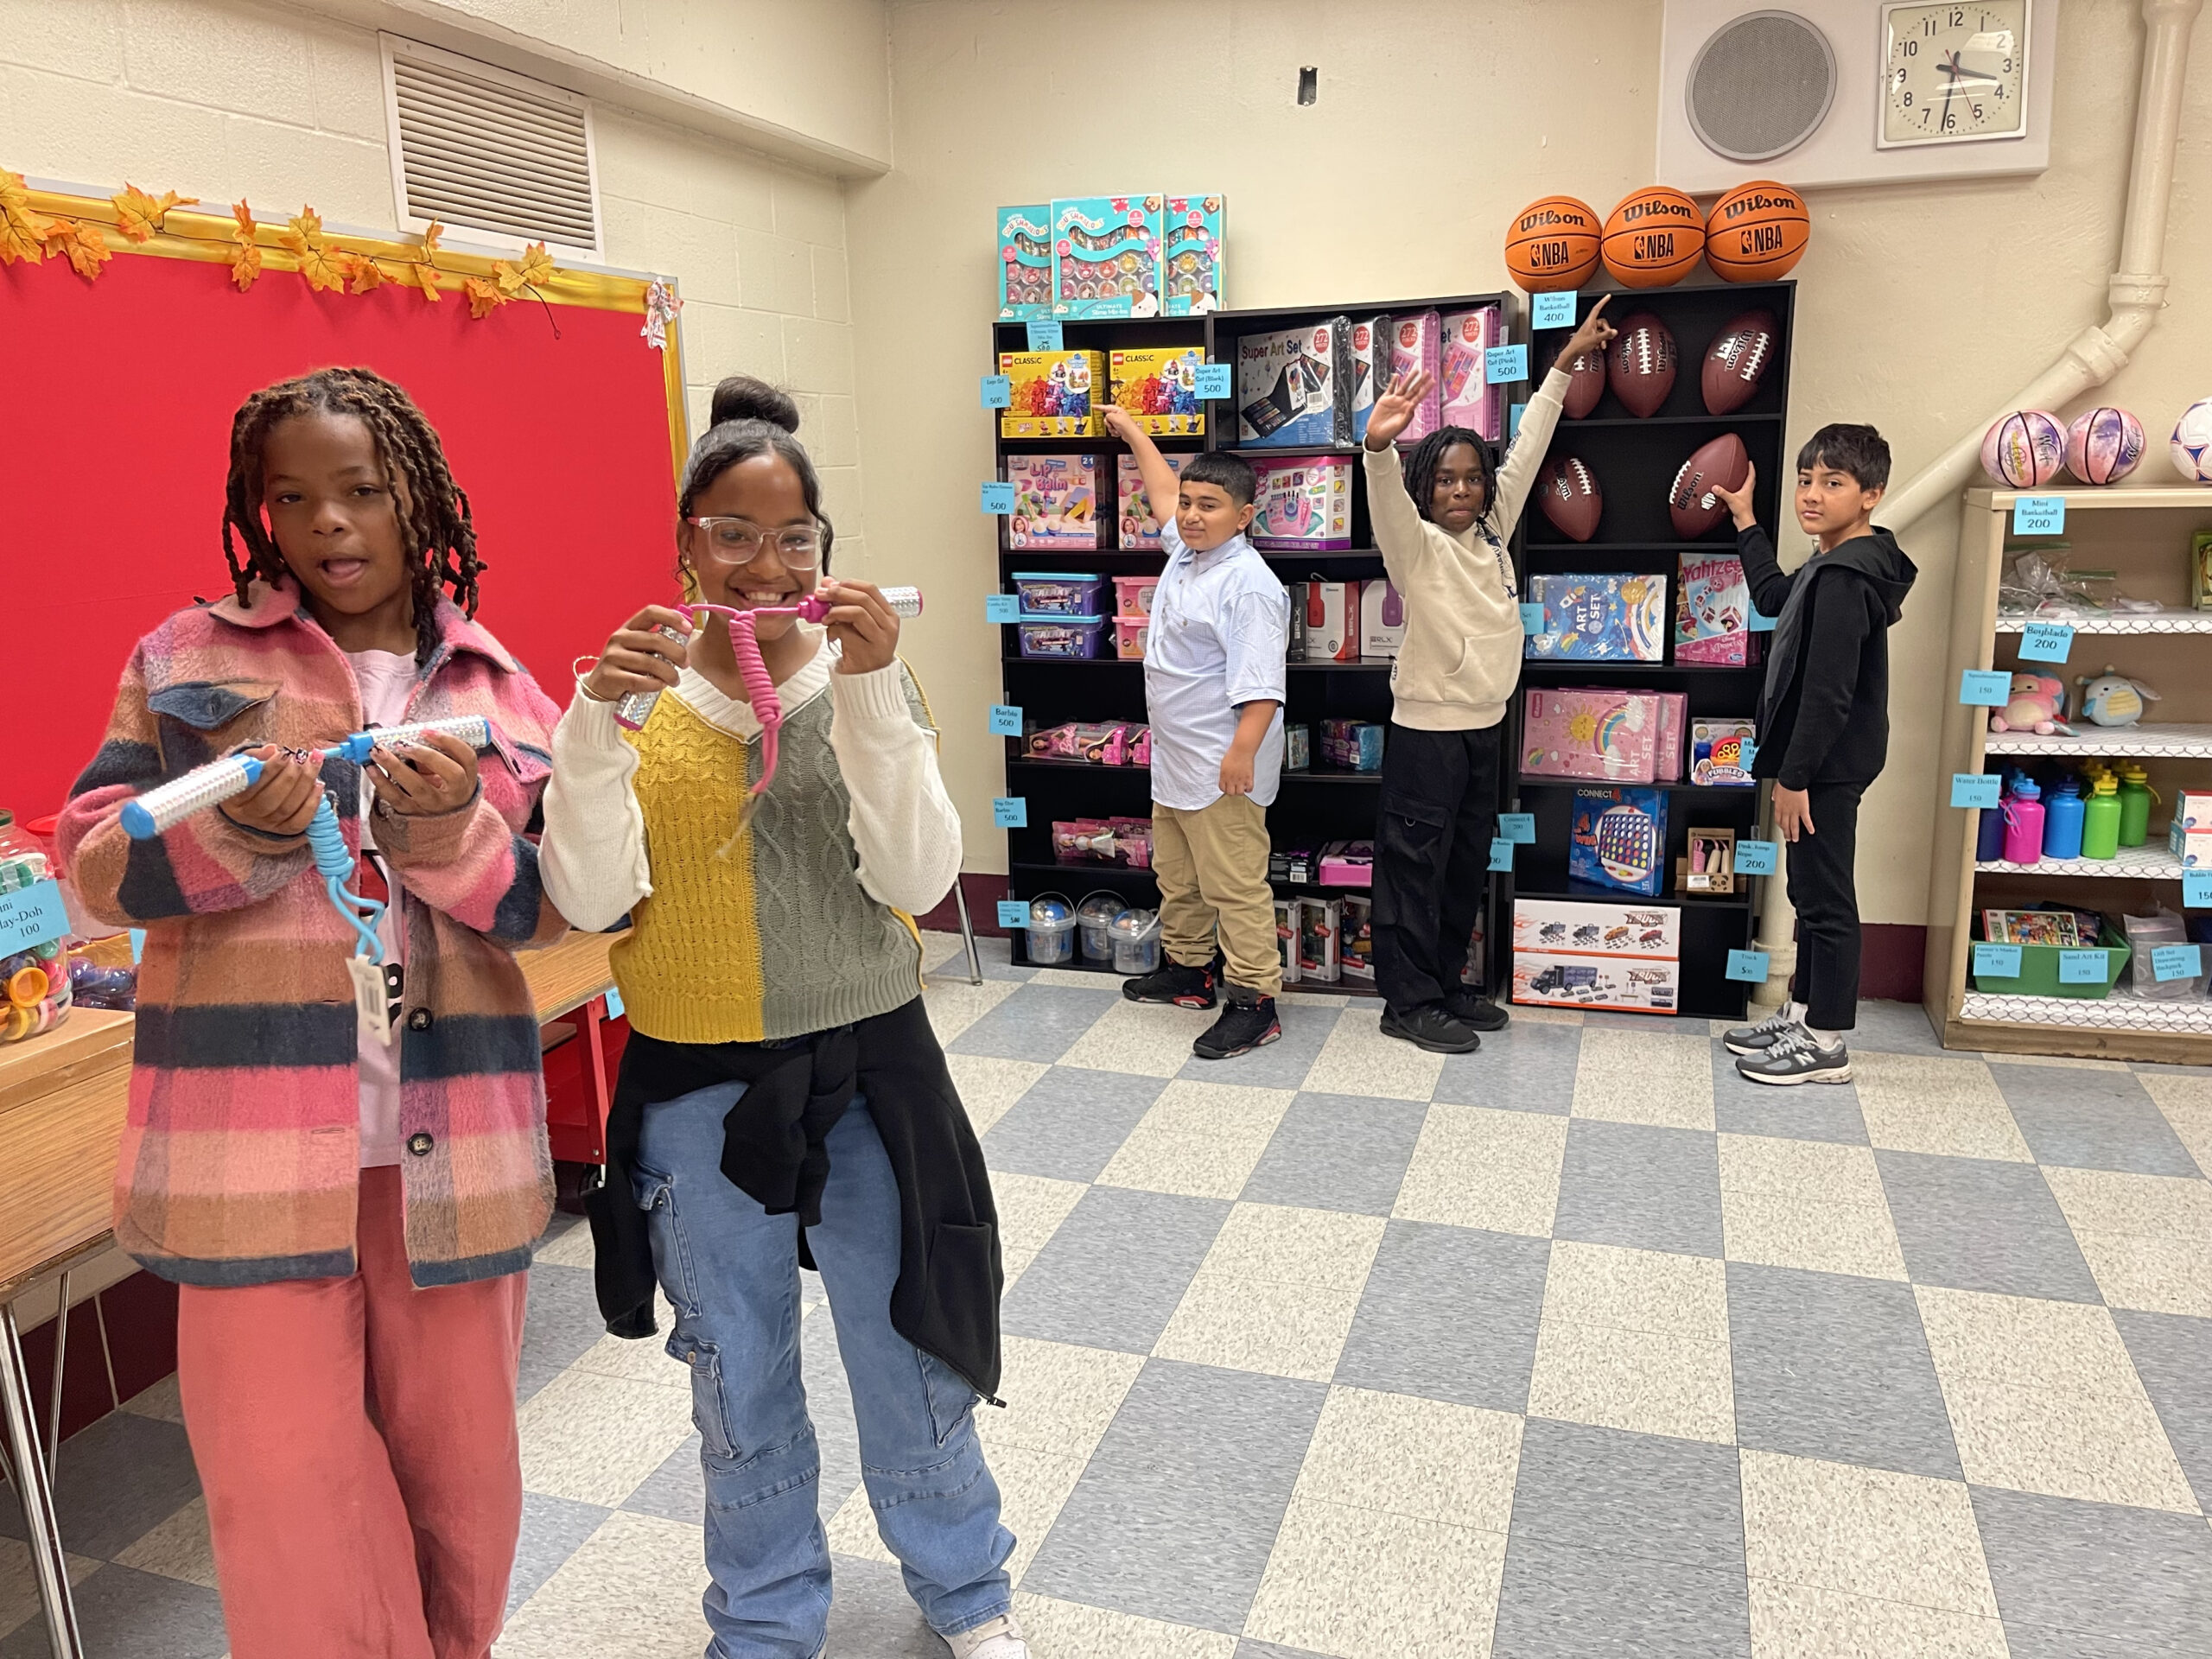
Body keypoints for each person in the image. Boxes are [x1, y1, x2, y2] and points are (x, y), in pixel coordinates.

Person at [55, 367, 567, 1659]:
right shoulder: (185, 659)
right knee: (284, 1494)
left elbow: (546, 912)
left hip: (454, 1152)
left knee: (464, 1484)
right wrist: (235, 833)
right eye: (295, 498)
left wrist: (450, 827)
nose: (332, 523)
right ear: (258, 514)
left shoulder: (500, 689)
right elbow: (91, 870)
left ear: (421, 500)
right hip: (249, 1160)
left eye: (362, 490)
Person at [538, 378, 1027, 1659]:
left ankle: (967, 1592)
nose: (764, 565)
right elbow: (590, 899)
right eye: (732, 533)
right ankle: (763, 1620)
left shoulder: (869, 684)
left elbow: (922, 883)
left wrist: (871, 696)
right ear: (686, 543)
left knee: (908, 1342)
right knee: (736, 1371)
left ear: (827, 549)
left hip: (873, 1071)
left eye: (794, 536)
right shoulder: (628, 699)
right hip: (697, 1086)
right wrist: (592, 733)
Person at [1360, 299, 1619, 1052]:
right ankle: (1406, 1003)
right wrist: (1378, 450)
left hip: (1484, 728)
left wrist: (1565, 365)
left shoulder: (1492, 535)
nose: (1463, 490)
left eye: (1472, 478)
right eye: (1445, 480)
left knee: (1462, 866)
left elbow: (1530, 447)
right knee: (1412, 871)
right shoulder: (1415, 548)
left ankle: (1440, 985)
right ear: (1424, 488)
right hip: (1427, 735)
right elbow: (1386, 500)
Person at [1713, 425, 1917, 1084]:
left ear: (1870, 496)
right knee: (1808, 892)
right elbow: (1774, 599)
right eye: (1806, 480)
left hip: (1824, 766)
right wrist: (1746, 520)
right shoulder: (1835, 563)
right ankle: (1803, 1012)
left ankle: (1826, 1043)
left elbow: (1828, 696)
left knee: (1826, 900)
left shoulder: (1843, 578)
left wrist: (1794, 778)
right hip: (1823, 762)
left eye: (1832, 483)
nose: (1811, 494)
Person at [1102, 401, 1289, 1059]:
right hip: (1177, 760)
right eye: (1188, 502)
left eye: (1208, 505)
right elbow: (1158, 489)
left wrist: (1242, 755)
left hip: (1221, 766)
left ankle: (1254, 1001)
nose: (1188, 514)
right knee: (1178, 877)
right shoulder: (1187, 552)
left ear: (1243, 516)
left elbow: (1263, 685)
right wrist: (1133, 432)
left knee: (1234, 886)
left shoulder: (1250, 585)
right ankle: (1189, 971)